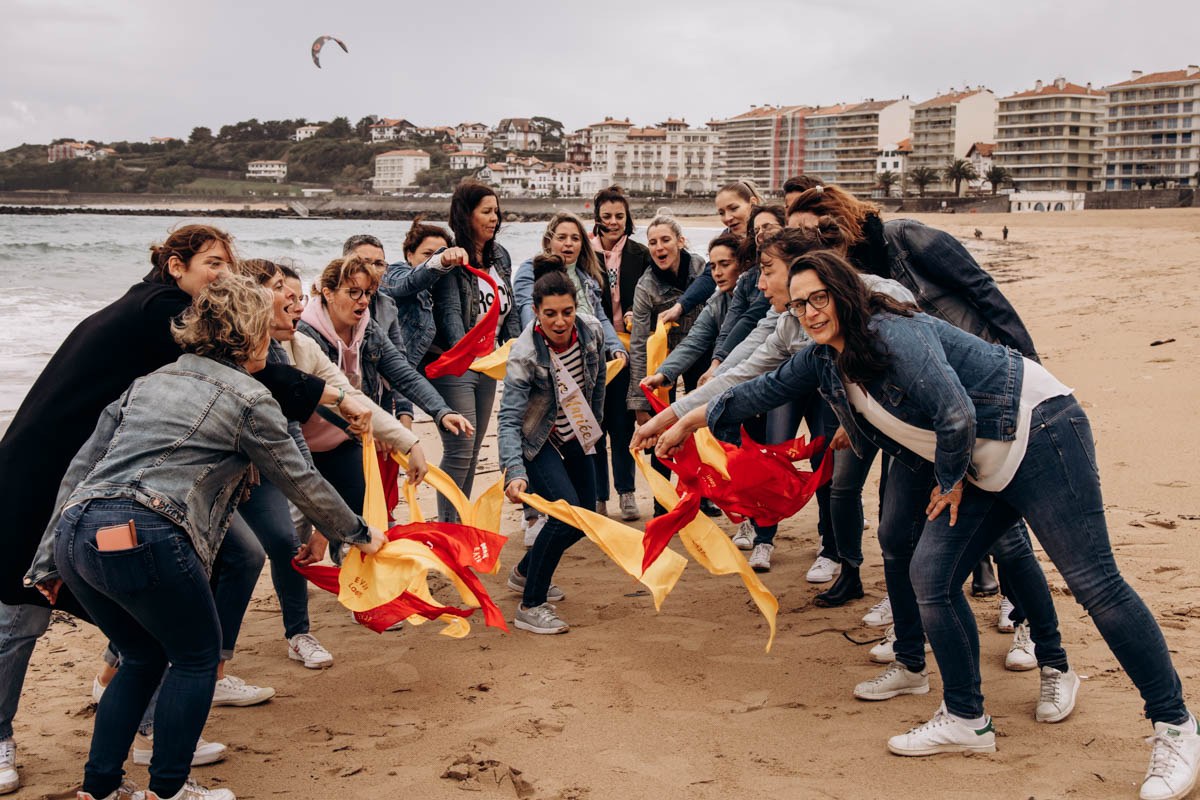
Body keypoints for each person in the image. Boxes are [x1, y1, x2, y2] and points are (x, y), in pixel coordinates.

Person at [691, 251, 1200, 800]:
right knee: (931, 576)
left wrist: (951, 480)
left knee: (1094, 583)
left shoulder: (890, 332)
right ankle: (966, 719)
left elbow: (955, 410)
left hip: (1039, 430)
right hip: (980, 458)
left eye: (820, 298)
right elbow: (757, 391)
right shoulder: (823, 359)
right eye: (799, 305)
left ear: (844, 293)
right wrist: (680, 425)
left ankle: (1175, 726)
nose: (811, 312)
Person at [25, 275, 387, 800]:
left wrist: (45, 561)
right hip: (148, 531)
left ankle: (100, 788)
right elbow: (300, 480)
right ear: (251, 334)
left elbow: (79, 471)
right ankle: (169, 789)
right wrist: (358, 533)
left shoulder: (150, 381)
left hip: (77, 533)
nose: (273, 341)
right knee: (195, 658)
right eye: (267, 328)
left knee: (141, 656)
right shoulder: (250, 398)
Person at [634, 223, 913, 580]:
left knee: (910, 525)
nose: (760, 284)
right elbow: (745, 379)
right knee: (893, 529)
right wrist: (670, 419)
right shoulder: (790, 324)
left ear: (801, 268)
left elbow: (925, 378)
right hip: (894, 428)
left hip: (933, 427)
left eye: (767, 271)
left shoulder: (879, 296)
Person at [239, 258, 427, 666]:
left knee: (293, 541)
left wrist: (408, 440)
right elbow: (322, 404)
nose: (296, 304)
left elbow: (345, 395)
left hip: (300, 456)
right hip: (241, 467)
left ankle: (304, 630)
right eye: (284, 293)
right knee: (241, 554)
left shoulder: (296, 347)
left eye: (296, 295)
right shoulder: (245, 355)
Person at [297, 256, 470, 517]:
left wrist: (441, 411)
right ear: (328, 293)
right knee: (299, 527)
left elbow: (403, 374)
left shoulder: (367, 328)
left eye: (367, 293)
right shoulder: (304, 333)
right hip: (303, 442)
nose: (363, 301)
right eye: (354, 292)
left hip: (346, 440)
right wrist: (375, 428)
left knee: (360, 516)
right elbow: (319, 397)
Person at [499, 257, 607, 635]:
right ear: (536, 311)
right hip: (538, 441)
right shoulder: (525, 354)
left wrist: (595, 432)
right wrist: (514, 471)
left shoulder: (592, 333)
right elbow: (508, 419)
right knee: (564, 516)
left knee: (586, 519)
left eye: (567, 312)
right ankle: (531, 605)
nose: (560, 322)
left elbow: (598, 385)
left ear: (576, 308)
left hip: (578, 432)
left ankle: (524, 573)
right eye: (550, 314)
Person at [512, 212, 627, 520]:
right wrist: (544, 340)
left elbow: (600, 318)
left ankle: (593, 501)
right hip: (544, 363)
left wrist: (615, 345)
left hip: (583, 357)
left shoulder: (588, 276)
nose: (568, 243)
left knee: (585, 432)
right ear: (549, 240)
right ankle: (533, 514)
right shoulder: (531, 269)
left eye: (575, 238)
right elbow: (526, 309)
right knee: (538, 432)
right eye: (562, 237)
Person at [429, 181, 521, 522]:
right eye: (486, 212)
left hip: (490, 365)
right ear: (466, 215)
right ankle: (448, 528)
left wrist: (515, 351)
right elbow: (451, 315)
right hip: (459, 366)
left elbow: (509, 309)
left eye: (496, 211)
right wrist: (470, 358)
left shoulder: (500, 256)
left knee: (472, 451)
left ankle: (460, 522)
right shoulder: (452, 258)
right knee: (459, 451)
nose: (494, 218)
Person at [625, 215, 708, 513]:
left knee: (701, 426)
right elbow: (638, 344)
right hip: (664, 359)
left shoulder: (700, 267)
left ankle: (705, 495)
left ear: (680, 241)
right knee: (661, 426)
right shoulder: (646, 286)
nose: (659, 247)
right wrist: (639, 402)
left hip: (701, 351)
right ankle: (662, 502)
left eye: (665, 240)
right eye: (653, 242)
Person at [590, 186, 653, 522]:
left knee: (622, 423)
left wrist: (636, 313)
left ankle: (627, 493)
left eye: (619, 216)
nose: (613, 222)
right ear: (597, 218)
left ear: (627, 218)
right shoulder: (585, 252)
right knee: (594, 426)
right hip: (593, 353)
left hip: (629, 352)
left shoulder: (640, 254)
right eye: (607, 216)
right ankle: (599, 497)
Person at [657, 179, 765, 328]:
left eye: (734, 208)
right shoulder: (727, 236)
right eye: (721, 213)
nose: (727, 218)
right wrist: (680, 306)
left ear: (752, 203)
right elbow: (709, 276)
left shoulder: (770, 235)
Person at [379, 218, 465, 368]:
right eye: (427, 254)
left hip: (436, 362)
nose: (433, 258)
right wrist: (440, 260)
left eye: (440, 254)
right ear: (409, 255)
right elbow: (408, 282)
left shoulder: (446, 284)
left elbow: (451, 316)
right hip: (401, 365)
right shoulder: (394, 272)